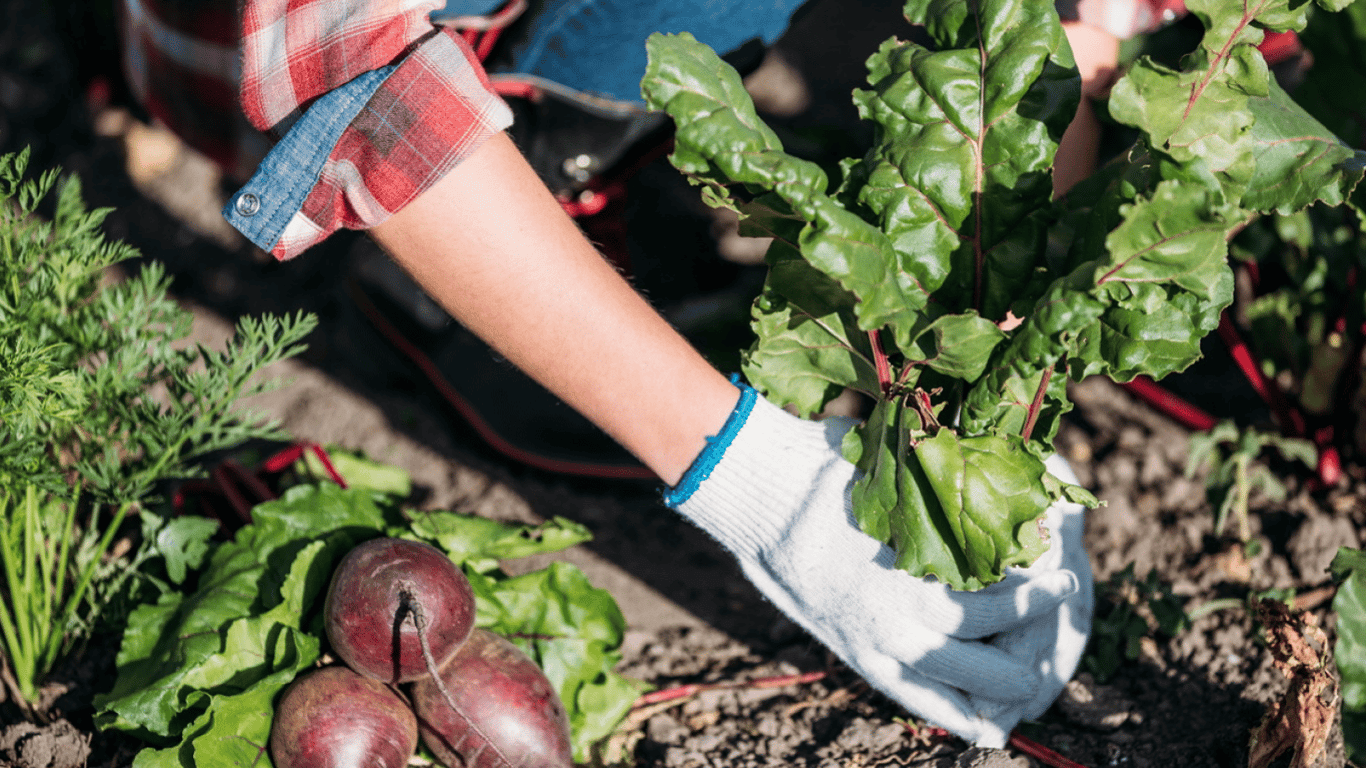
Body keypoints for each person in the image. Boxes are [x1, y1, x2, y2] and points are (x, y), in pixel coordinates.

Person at [116, 0, 1173, 748]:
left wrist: (998, 427)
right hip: (268, 60)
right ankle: (465, 246)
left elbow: (1072, 31)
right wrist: (762, 482)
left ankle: (571, 144)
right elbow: (349, 68)